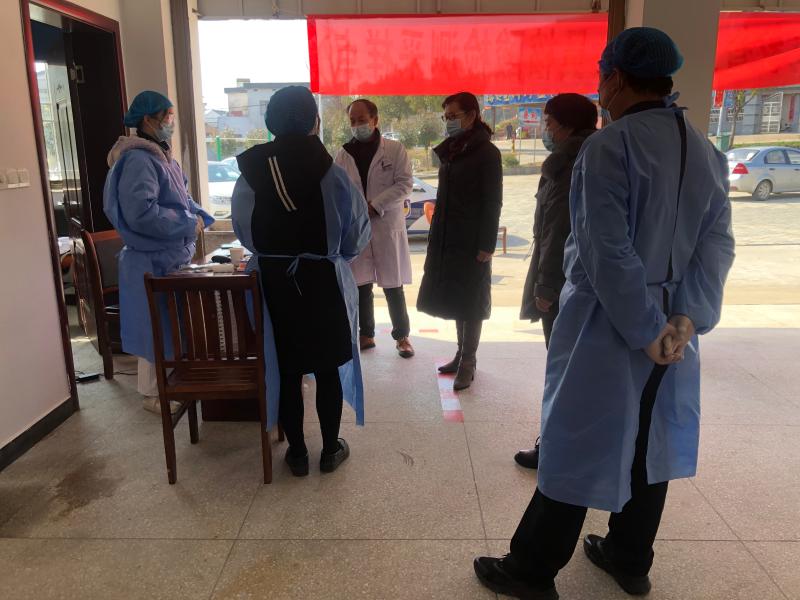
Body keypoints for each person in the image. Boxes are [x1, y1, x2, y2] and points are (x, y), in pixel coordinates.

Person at [474, 28, 735, 599]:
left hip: (609, 323)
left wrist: (644, 330)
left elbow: (606, 251)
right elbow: (717, 243)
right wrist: (685, 318)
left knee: (578, 437)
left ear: (614, 77)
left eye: (601, 76)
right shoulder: (704, 147)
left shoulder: (609, 146)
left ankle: (531, 570)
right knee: (650, 441)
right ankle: (629, 556)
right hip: (675, 323)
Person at [231, 86, 370, 477]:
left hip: (274, 282)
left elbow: (243, 231)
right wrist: (333, 257)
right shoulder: (332, 171)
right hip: (323, 279)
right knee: (327, 367)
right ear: (315, 121)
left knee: (287, 367)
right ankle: (330, 449)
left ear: (271, 122)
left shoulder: (251, 171)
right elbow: (357, 231)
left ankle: (296, 452)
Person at [103, 91, 214, 414]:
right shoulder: (137, 160)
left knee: (170, 327)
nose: (170, 122)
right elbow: (141, 213)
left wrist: (200, 216)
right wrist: (186, 223)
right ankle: (153, 394)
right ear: (147, 120)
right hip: (150, 260)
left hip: (170, 258)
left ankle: (172, 384)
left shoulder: (163, 158)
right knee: (154, 329)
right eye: (166, 116)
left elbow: (182, 198)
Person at [515, 94, 598, 470]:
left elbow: (558, 230)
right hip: (580, 280)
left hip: (565, 281)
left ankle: (557, 447)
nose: (545, 130)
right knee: (574, 366)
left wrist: (546, 286)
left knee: (563, 367)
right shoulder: (592, 155)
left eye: (548, 123)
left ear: (565, 125)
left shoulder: (569, 164)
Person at [417, 91, 503, 391]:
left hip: (472, 239)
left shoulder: (487, 153)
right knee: (456, 297)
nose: (448, 122)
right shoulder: (454, 150)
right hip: (448, 237)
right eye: (446, 117)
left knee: (471, 301)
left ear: (472, 115)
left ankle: (469, 361)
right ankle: (460, 353)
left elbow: (493, 202)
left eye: (453, 116)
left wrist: (487, 245)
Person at [334, 99, 415, 358]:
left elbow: (404, 184)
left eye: (362, 120)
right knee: (361, 284)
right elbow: (338, 190)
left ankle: (402, 336)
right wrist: (356, 211)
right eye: (352, 121)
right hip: (357, 226)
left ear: (375, 120)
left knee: (393, 284)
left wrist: (375, 205)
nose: (357, 125)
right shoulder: (343, 154)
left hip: (386, 224)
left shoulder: (394, 149)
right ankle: (366, 334)